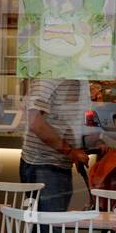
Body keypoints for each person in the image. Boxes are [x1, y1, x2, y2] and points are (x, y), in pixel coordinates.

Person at [20, 78, 90, 216]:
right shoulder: (50, 79)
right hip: (44, 165)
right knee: (50, 231)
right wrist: (70, 151)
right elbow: (36, 123)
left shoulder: (79, 82)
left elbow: (70, 121)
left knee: (45, 230)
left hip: (56, 164)